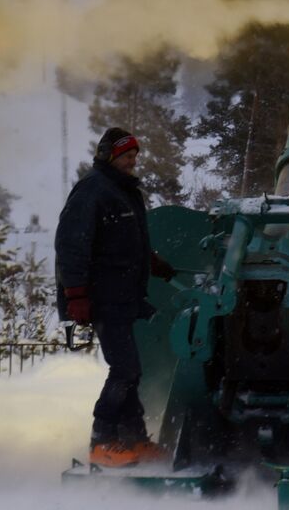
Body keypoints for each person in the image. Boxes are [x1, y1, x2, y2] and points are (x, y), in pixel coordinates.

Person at [55, 127, 177, 467]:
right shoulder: (93, 191)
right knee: (124, 370)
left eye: (135, 156)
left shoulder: (123, 192)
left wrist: (153, 263)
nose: (132, 161)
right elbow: (71, 246)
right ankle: (102, 440)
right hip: (101, 297)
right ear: (109, 155)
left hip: (123, 296)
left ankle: (133, 439)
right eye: (126, 156)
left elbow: (126, 239)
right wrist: (76, 296)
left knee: (130, 370)